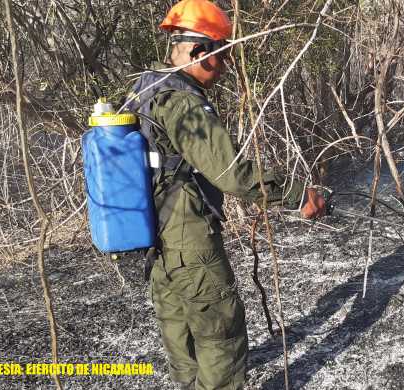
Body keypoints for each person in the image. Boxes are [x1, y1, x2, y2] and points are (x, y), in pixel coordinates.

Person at [123, 0, 326, 388]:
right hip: (188, 238)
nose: (226, 65)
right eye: (223, 55)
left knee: (180, 336)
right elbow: (230, 172)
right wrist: (299, 194)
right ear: (200, 51)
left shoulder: (144, 85)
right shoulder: (183, 101)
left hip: (155, 236)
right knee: (221, 335)